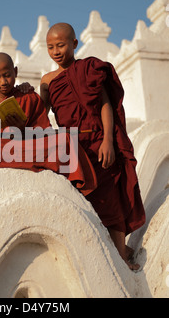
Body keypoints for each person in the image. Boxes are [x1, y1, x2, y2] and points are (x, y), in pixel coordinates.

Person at [40, 23, 146, 270]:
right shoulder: (47, 81)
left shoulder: (89, 69)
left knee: (110, 197)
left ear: (74, 44)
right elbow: (41, 115)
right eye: (51, 47)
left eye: (61, 45)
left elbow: (105, 106)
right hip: (71, 147)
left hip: (97, 142)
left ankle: (120, 254)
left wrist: (108, 140)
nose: (56, 51)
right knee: (81, 200)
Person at [0, 52, 97, 195]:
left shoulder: (29, 97)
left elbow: (44, 131)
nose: (3, 82)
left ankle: (3, 161)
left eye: (7, 75)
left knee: (65, 140)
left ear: (15, 72)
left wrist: (22, 129)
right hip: (3, 148)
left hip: (27, 146)